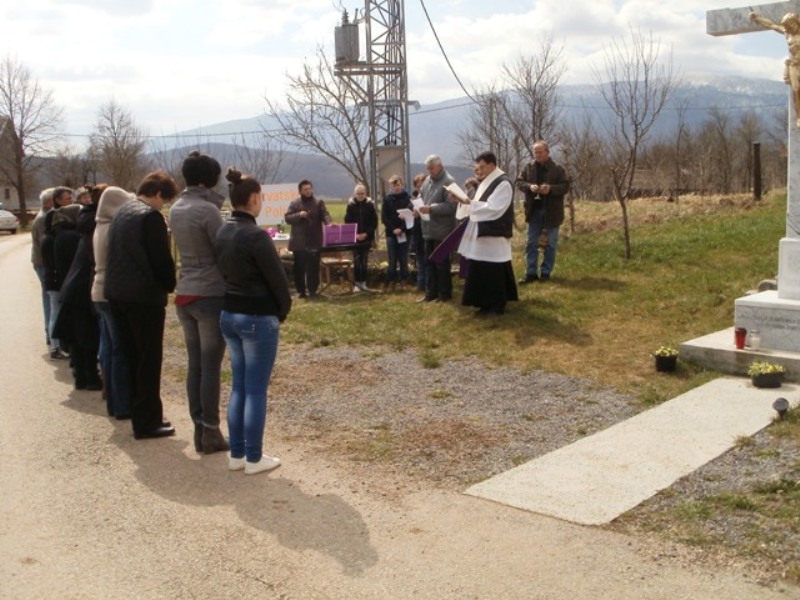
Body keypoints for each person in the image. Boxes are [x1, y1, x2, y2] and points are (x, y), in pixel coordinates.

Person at [215, 167, 292, 475]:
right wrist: (282, 311)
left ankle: (237, 455)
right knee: (256, 391)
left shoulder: (222, 230)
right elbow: (279, 281)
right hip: (257, 317)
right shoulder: (256, 235)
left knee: (239, 387)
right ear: (255, 198)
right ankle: (255, 458)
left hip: (228, 313)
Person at [105, 171, 178, 440]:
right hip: (143, 297)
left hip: (117, 293)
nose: (164, 205)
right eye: (165, 200)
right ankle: (148, 421)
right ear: (158, 194)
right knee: (148, 359)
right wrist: (170, 284)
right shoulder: (149, 218)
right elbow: (161, 260)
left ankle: (141, 414)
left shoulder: (123, 212)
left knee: (131, 356)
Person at [168, 151, 229, 455]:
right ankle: (212, 431)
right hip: (209, 293)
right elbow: (224, 249)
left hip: (185, 292)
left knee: (195, 366)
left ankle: (199, 430)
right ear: (208, 180)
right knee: (211, 367)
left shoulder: (176, 208)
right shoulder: (207, 210)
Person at [456, 151, 518, 316]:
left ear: (492, 165)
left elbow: (495, 207)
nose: (480, 171)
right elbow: (479, 204)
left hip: (495, 234)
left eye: (482, 167)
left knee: (493, 271)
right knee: (480, 269)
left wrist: (469, 203)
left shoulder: (503, 183)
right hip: (482, 233)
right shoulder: (486, 181)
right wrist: (465, 202)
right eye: (478, 168)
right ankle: (483, 303)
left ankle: (496, 305)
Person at [55, 186, 105, 391]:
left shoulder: (79, 234)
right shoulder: (86, 235)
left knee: (79, 337)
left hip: (72, 286)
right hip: (82, 288)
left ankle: (82, 377)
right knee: (87, 337)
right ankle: (90, 378)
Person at [92, 186, 134, 420]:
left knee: (108, 348)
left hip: (98, 290)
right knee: (119, 349)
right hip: (110, 292)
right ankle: (122, 404)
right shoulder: (112, 229)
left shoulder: (99, 227)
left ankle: (111, 397)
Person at [516, 141, 570, 284]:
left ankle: (546, 273)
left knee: (550, 243)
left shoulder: (558, 169)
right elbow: (519, 182)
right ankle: (531, 273)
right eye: (535, 152)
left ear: (547, 152)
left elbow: (565, 186)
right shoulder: (529, 167)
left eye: (540, 152)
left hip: (552, 212)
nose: (537, 155)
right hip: (533, 210)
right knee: (531, 242)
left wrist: (550, 189)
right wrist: (529, 186)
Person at [750, 11, 800, 127]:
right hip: (793, 65)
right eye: (788, 25)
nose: (790, 27)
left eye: (792, 24)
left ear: (796, 22)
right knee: (796, 91)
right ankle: (799, 117)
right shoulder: (787, 34)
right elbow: (772, 25)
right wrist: (757, 18)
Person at [417, 155, 456, 302]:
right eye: (427, 168)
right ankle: (430, 293)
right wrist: (417, 208)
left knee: (441, 263)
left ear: (439, 166)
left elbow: (451, 206)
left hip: (442, 230)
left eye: (431, 168)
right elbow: (422, 198)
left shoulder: (449, 181)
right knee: (429, 262)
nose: (429, 171)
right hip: (428, 228)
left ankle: (444, 294)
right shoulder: (427, 180)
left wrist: (431, 209)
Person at [41, 186, 73, 359]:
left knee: (58, 310)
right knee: (55, 310)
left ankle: (60, 344)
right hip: (54, 280)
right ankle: (55, 346)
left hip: (55, 278)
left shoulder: (52, 238)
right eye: (67, 198)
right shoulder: (51, 240)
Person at [284, 179, 331, 299]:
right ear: (300, 191)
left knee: (313, 267)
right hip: (299, 242)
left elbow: (325, 214)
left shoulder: (318, 202)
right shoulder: (294, 203)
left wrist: (328, 223)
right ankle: (301, 291)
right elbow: (288, 218)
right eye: (305, 189)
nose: (308, 191)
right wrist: (299, 215)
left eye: (310, 189)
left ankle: (313, 291)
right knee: (299, 268)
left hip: (314, 240)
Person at [31, 188, 54, 350]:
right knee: (49, 298)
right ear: (47, 202)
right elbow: (44, 245)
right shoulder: (42, 219)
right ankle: (49, 333)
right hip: (42, 264)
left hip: (43, 263)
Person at [344, 183, 378, 292]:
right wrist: (355, 235)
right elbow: (347, 222)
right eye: (358, 193)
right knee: (356, 261)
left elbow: (374, 222)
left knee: (364, 261)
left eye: (362, 193)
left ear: (365, 193)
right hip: (354, 238)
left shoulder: (370, 205)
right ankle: (356, 284)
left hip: (366, 238)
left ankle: (363, 283)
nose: (360, 195)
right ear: (354, 194)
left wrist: (366, 234)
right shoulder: (350, 205)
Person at [381, 175, 413, 291]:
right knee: (392, 259)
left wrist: (402, 229)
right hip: (391, 233)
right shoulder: (386, 199)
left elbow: (410, 216)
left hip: (404, 232)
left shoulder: (408, 198)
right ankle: (391, 281)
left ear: (402, 185)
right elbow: (384, 217)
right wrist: (393, 229)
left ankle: (404, 281)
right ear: (391, 186)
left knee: (403, 259)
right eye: (393, 185)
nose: (396, 187)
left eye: (398, 185)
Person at [410, 173, 427, 291]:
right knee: (420, 260)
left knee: (429, 260)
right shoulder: (413, 199)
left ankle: (429, 284)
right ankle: (421, 284)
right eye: (417, 186)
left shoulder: (430, 198)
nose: (419, 189)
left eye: (421, 186)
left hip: (429, 231)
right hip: (417, 232)